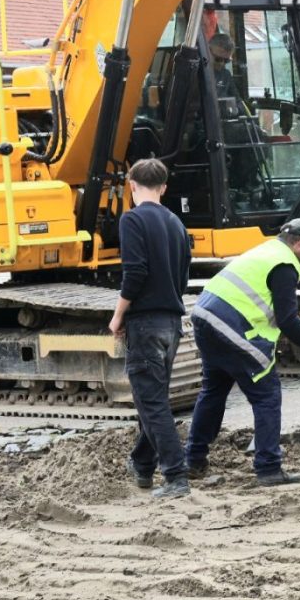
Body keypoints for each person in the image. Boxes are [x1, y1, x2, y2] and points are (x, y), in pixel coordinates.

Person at [185, 219, 300, 486]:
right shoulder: (285, 265)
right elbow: (286, 320)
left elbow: (263, 308)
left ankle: (193, 460)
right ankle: (269, 468)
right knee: (267, 395)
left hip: (205, 316)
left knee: (213, 390)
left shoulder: (266, 252)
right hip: (229, 324)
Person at [108, 158, 193, 499]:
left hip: (144, 323)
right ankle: (142, 465)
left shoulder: (132, 220)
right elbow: (184, 277)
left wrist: (117, 317)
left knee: (152, 404)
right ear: (164, 187)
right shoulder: (176, 223)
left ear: (131, 185)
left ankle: (176, 476)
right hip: (172, 323)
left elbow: (135, 273)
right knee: (153, 402)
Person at [208, 32, 240, 101]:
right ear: (207, 52)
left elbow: (238, 102)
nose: (221, 64)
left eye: (226, 61)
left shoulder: (226, 75)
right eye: (218, 59)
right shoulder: (195, 73)